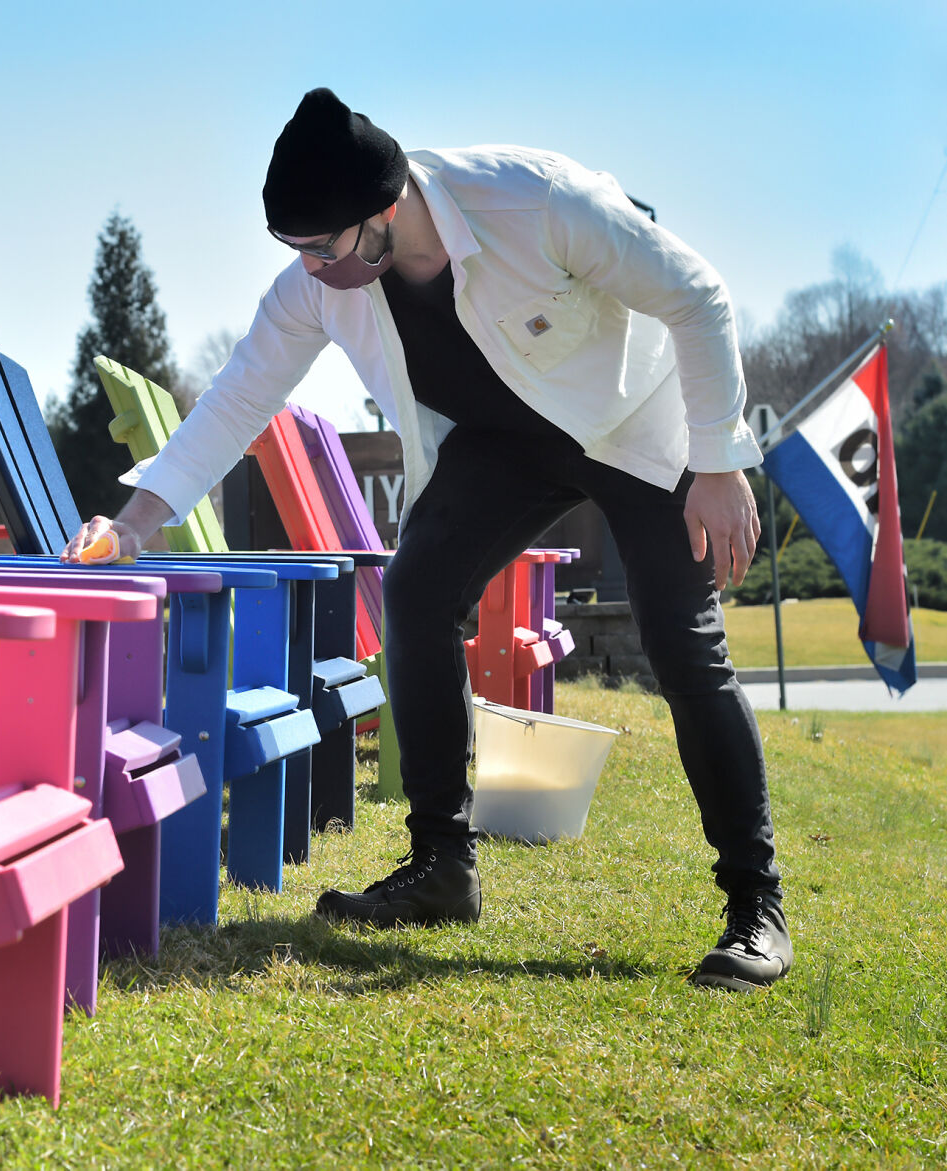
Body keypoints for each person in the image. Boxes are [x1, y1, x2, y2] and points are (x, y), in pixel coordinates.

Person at [62, 88, 791, 991]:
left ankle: (754, 905)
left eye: (323, 247)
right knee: (414, 592)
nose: (311, 269)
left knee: (682, 646)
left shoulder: (535, 201)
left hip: (634, 425)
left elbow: (695, 293)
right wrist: (135, 520)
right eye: (295, 252)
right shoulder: (321, 285)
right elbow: (239, 397)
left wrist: (719, 464)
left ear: (385, 207)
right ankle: (441, 863)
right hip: (504, 445)